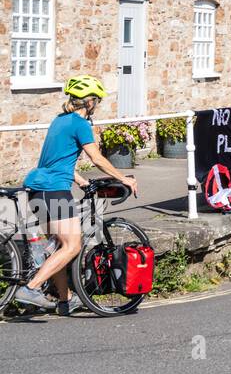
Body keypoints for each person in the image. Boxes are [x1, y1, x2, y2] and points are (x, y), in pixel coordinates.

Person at [13, 76, 139, 314]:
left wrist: (81, 181)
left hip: (37, 187)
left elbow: (58, 161)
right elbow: (97, 158)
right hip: (54, 190)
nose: (97, 106)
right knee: (72, 245)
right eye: (97, 101)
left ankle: (65, 299)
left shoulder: (59, 121)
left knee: (61, 245)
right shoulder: (81, 124)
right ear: (89, 102)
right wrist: (124, 178)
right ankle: (31, 288)